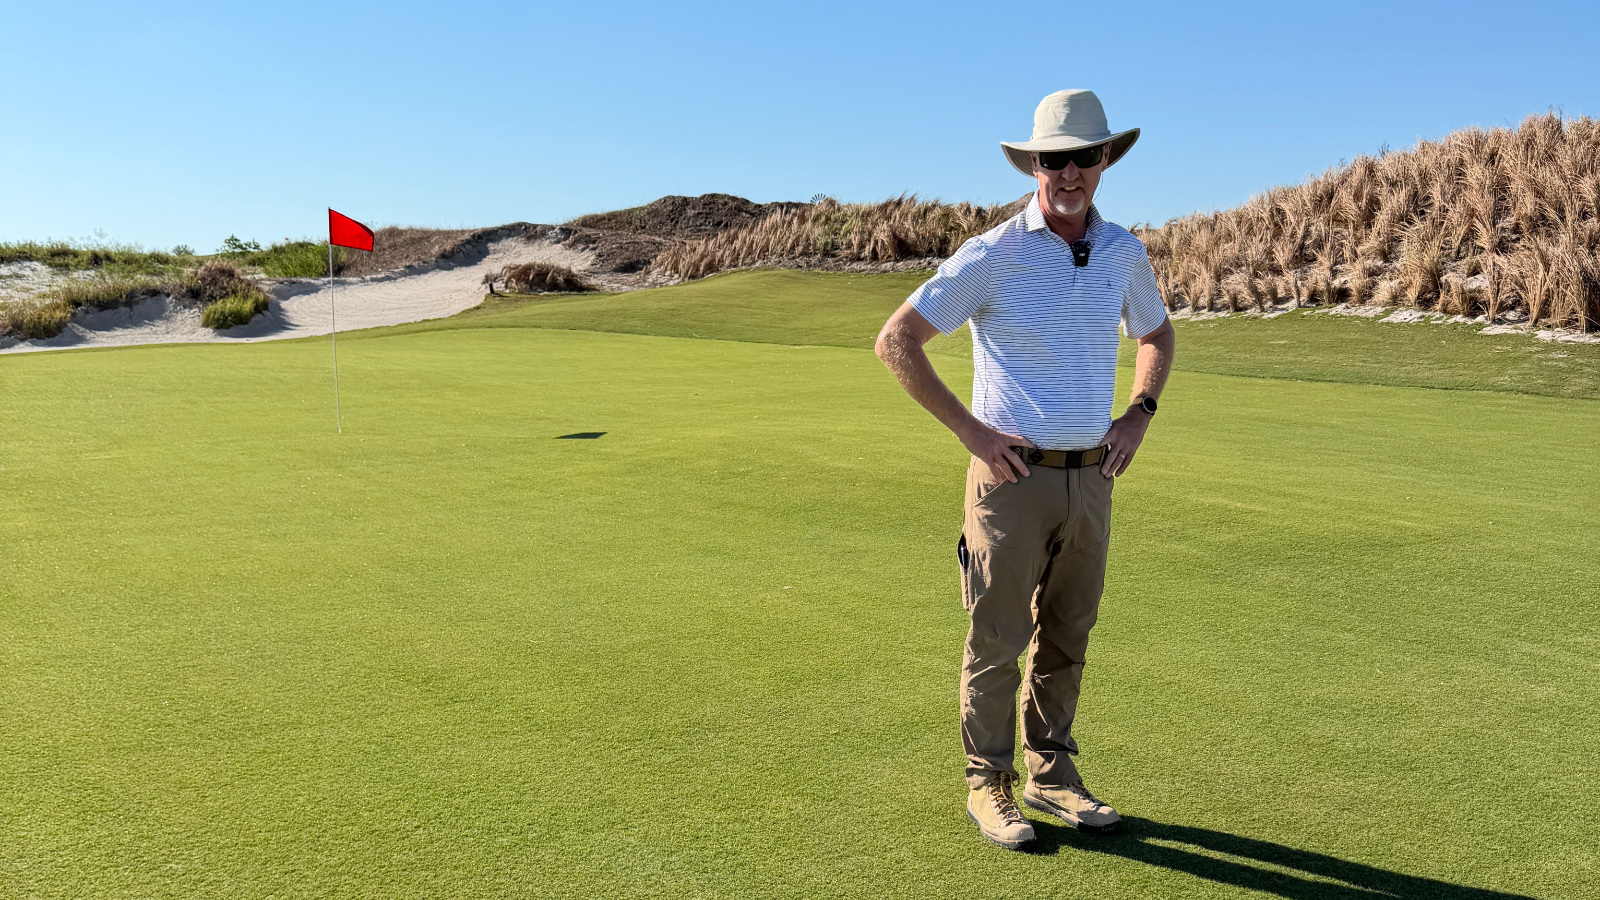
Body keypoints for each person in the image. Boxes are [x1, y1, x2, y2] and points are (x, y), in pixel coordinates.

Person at [874, 89, 1175, 850]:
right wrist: (974, 434)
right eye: (1054, 159)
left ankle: (1054, 775)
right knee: (998, 639)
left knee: (1069, 634)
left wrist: (1138, 414)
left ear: (1105, 160)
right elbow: (897, 340)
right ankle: (989, 784)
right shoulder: (993, 252)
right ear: (1034, 164)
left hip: (1092, 479)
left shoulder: (1122, 251)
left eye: (1085, 156)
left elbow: (1158, 335)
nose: (1069, 172)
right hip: (1011, 481)